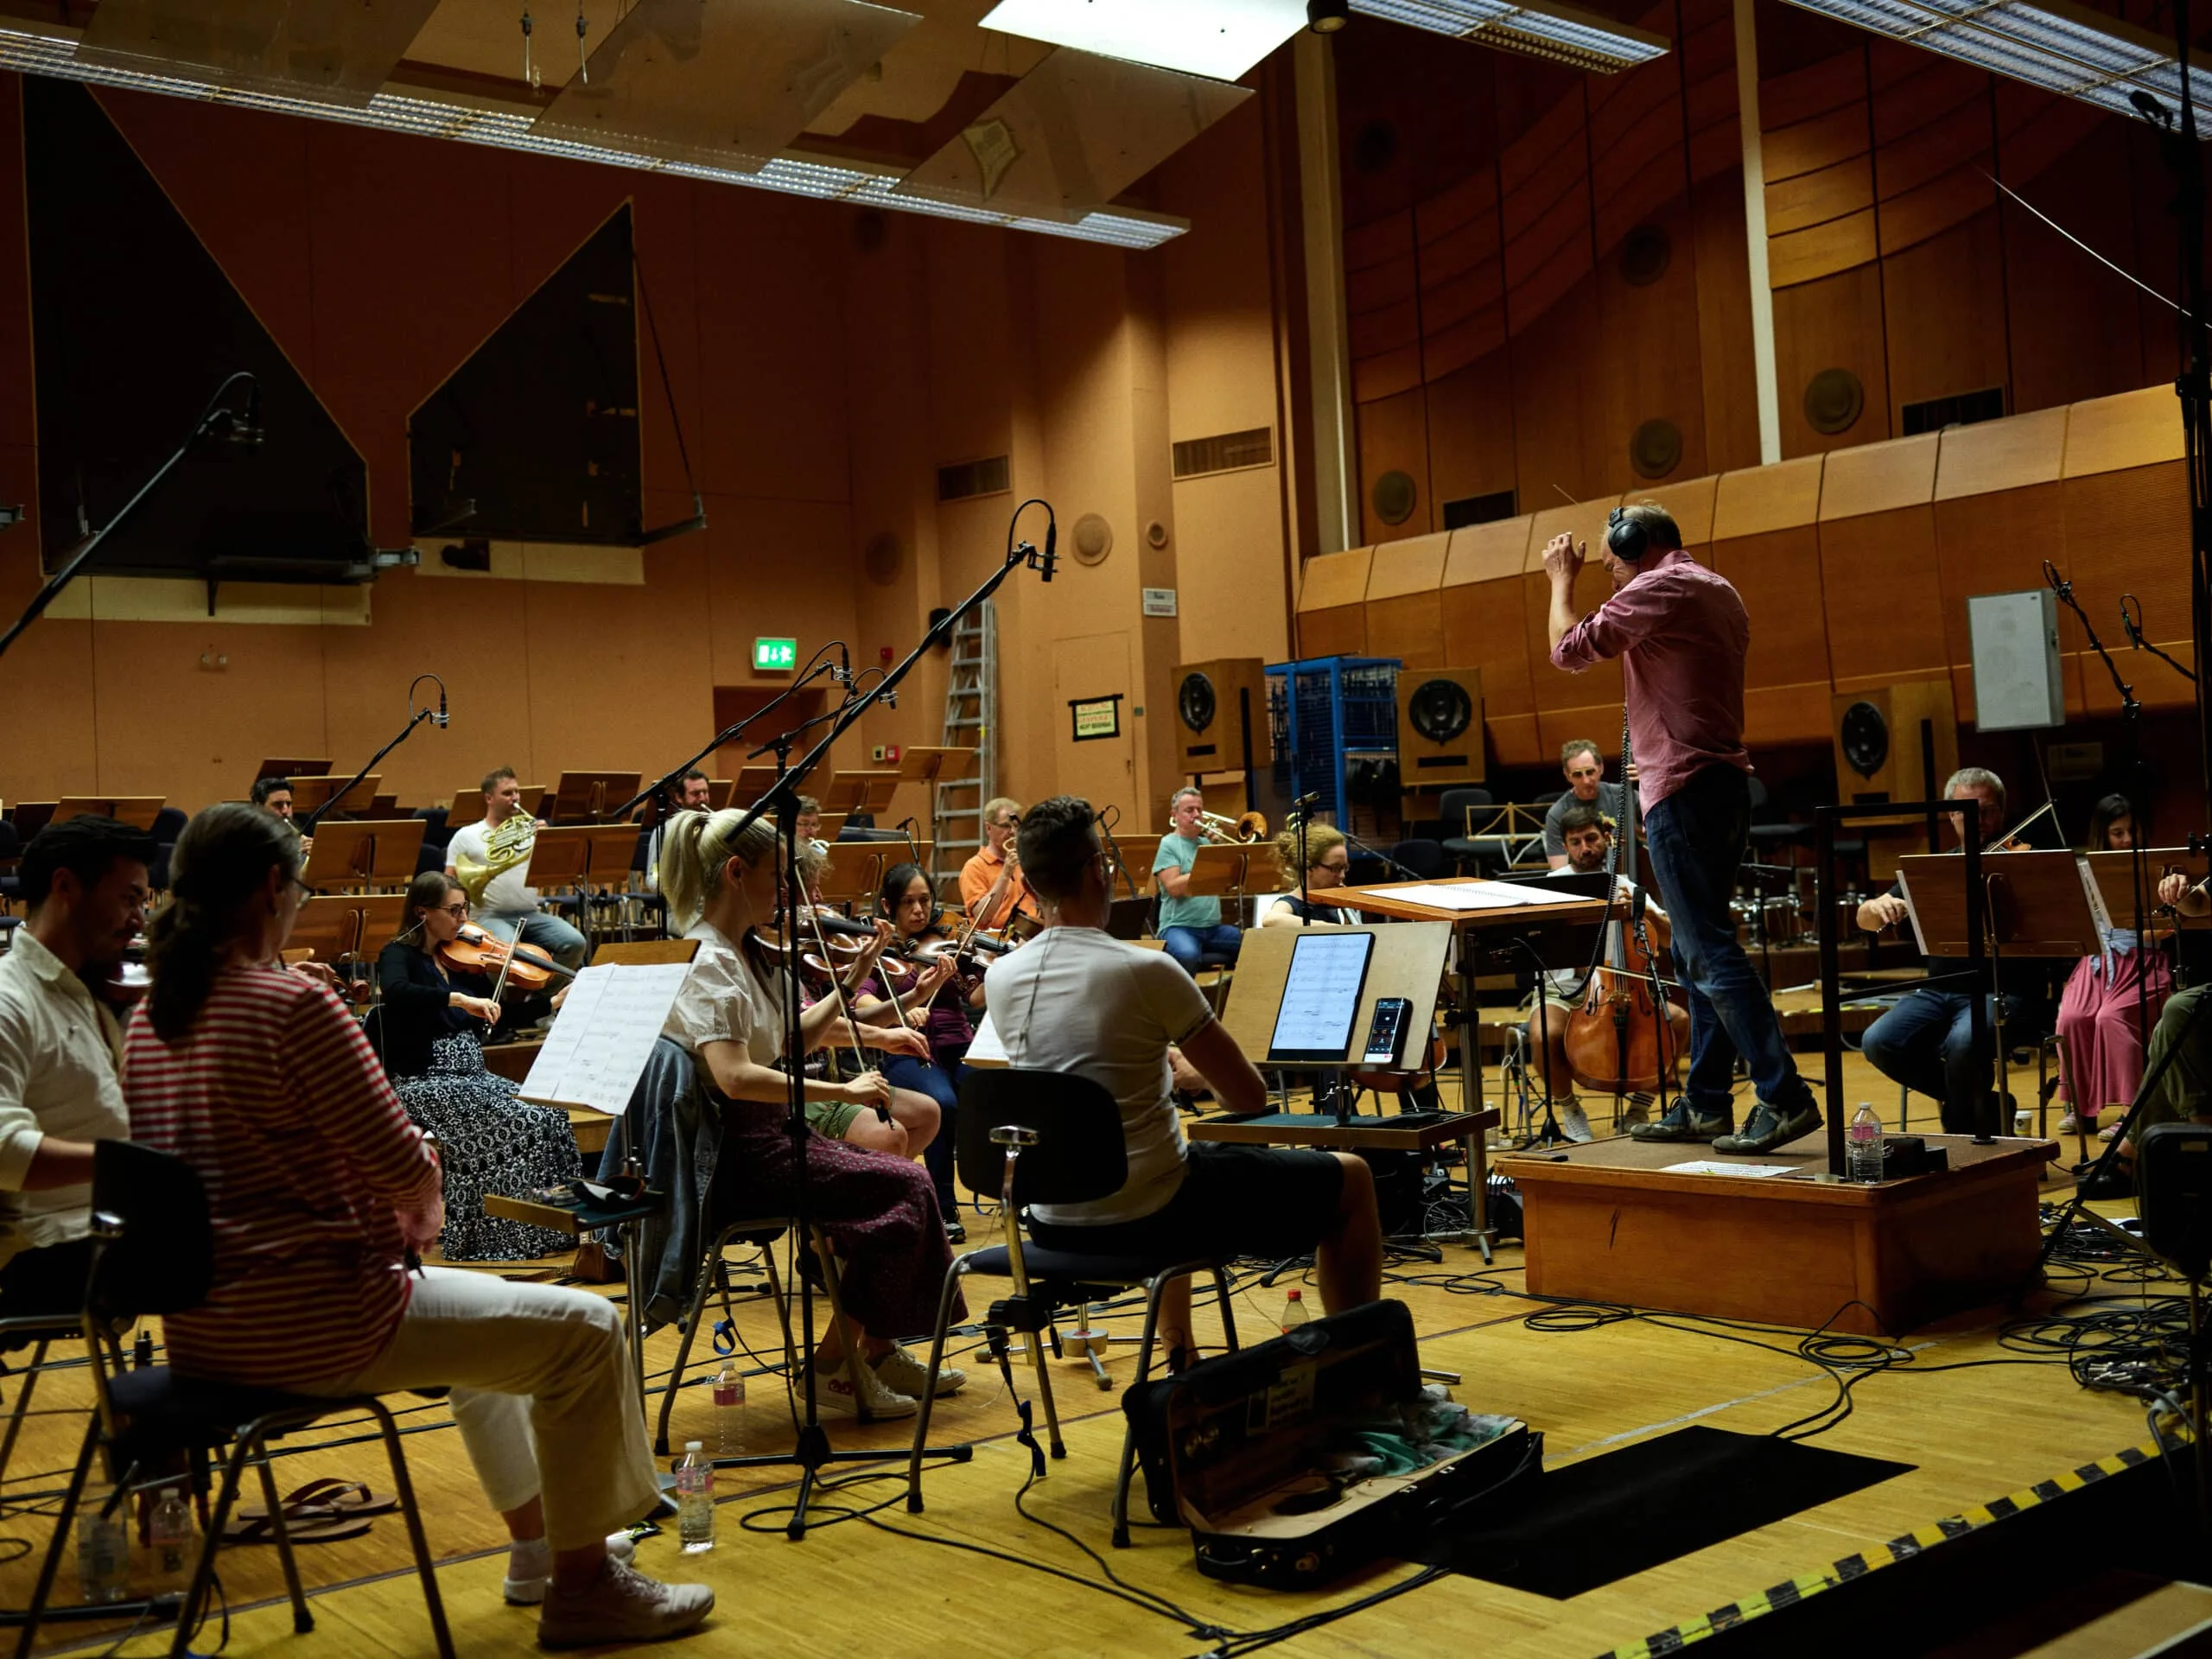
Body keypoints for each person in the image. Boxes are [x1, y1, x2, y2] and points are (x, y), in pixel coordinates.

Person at [122, 804, 710, 1645]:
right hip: (318, 1325)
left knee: (484, 1342)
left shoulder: (150, 1021)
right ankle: (584, 1587)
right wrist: (417, 1180)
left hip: (207, 1332)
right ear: (270, 889)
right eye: (301, 889)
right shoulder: (291, 1005)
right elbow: (402, 1164)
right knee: (588, 1332)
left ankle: (537, 1552)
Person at [988, 796, 1382, 1369]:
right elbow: (1247, 1097)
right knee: (1351, 1178)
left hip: (1050, 1217)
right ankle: (1361, 1366)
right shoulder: (1146, 968)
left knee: (1171, 1158)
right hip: (1152, 1214)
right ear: (1099, 871)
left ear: (1029, 882)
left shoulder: (1001, 977)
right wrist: (1196, 1074)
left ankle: (1182, 1356)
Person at [656, 807, 965, 1419]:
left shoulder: (745, 952)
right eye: (778, 876)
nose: (789, 890)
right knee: (905, 1186)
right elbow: (735, 1077)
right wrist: (843, 1093)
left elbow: (790, 1039)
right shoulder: (708, 960)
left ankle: (875, 1349)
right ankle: (830, 1369)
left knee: (905, 1182)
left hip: (771, 1137)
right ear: (737, 873)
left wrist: (854, 977)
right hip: (736, 1158)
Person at [1547, 502, 1820, 1154]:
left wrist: (1561, 580)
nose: (1610, 570)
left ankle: (1785, 1096)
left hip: (1684, 792)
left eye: (1613, 559)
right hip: (1720, 788)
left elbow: (1568, 650)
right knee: (1700, 952)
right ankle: (1706, 1102)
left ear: (1635, 542)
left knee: (1708, 953)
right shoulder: (1717, 588)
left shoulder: (1660, 585)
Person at [375, 872, 581, 1262]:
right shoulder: (398, 954)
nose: (464, 919)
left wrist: (553, 1003)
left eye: (465, 909)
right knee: (524, 1121)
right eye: (454, 910)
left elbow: (497, 1016)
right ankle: (499, 1235)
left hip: (472, 1076)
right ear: (422, 912)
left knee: (551, 1114)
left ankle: (550, 1231)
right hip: (424, 1080)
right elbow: (398, 993)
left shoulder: (460, 962)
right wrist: (457, 999)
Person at [0, 817, 154, 1314]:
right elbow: (3, 1151)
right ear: (65, 886)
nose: (139, 920)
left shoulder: (89, 987)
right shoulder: (9, 998)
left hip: (106, 1228)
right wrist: (136, 1165)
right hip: (49, 1249)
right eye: (129, 899)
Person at [1855, 768, 2050, 1135]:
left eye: (1987, 811)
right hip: (1940, 990)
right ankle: (1981, 1103)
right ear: (1951, 815)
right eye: (1966, 811)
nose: (1977, 820)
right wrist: (1876, 906)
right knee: (1878, 1041)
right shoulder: (1936, 869)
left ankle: (1962, 1127)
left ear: (2002, 812)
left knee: (1965, 1042)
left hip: (2005, 991)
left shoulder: (2027, 865)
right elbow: (1864, 919)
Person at [1518, 802, 1682, 1142]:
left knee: (1678, 1021)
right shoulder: (1548, 889)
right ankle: (1570, 1109)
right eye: (1575, 842)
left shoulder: (1626, 886)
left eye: (1591, 839)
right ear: (1565, 846)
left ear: (1606, 839)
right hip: (1563, 988)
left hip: (1623, 987)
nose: (1585, 848)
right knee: (1544, 1036)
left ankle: (1640, 1107)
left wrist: (1645, 912)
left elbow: (1668, 939)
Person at [867, 863, 987, 1236]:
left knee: (996, 1089)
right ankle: (944, 1207)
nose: (919, 910)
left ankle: (1019, 1195)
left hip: (958, 1044)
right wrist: (903, 1009)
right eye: (908, 902)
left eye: (924, 900)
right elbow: (863, 1005)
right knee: (943, 1103)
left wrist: (999, 967)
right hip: (908, 1050)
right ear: (888, 906)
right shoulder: (878, 953)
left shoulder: (945, 946)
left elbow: (976, 997)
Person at [2048, 795, 2171, 1135]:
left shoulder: (2155, 868)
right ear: (2103, 835)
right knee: (2071, 1018)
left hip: (2142, 962)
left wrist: (2141, 928)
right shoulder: (2087, 870)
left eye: (2133, 830)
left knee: (2112, 1018)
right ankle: (2082, 1108)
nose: (2128, 839)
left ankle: (2131, 1113)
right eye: (2118, 833)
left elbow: (2170, 926)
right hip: (2098, 961)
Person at [447, 767, 587, 971]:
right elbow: (448, 880)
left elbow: (555, 872)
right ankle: (501, 992)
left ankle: (545, 990)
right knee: (507, 952)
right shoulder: (467, 835)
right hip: (488, 916)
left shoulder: (529, 831)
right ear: (489, 798)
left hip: (531, 913)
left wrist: (548, 842)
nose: (515, 797)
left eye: (516, 792)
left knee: (575, 942)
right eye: (507, 793)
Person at [1153, 788, 1241, 976]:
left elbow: (1228, 880)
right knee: (1188, 955)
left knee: (1252, 945)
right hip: (1178, 927)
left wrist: (1220, 848)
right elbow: (1173, 888)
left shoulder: (1207, 843)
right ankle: (1183, 995)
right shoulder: (1168, 844)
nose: (1196, 815)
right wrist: (1203, 868)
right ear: (1174, 815)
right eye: (1189, 810)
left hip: (1212, 928)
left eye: (1199, 810)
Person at [960, 798, 1040, 932]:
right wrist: (1005, 873)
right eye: (1005, 826)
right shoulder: (974, 867)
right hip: (995, 940)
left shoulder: (1025, 862)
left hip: (1029, 935)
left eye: (1016, 826)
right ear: (988, 828)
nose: (1013, 831)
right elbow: (982, 918)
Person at [1544, 741, 1624, 869]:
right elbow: (1559, 868)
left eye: (1590, 772)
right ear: (1567, 776)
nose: (1586, 781)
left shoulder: (1624, 795)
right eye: (1577, 774)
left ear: (1601, 768)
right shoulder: (1556, 814)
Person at [1262, 822, 1352, 926]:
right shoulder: (1290, 903)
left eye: (1344, 868)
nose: (1342, 876)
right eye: (1335, 868)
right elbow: (1271, 920)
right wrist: (1332, 929)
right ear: (1308, 866)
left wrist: (1348, 912)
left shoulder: (1328, 901)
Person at [641, 771, 712, 894]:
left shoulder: (714, 827)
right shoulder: (664, 832)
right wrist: (675, 888)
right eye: (695, 794)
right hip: (679, 903)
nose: (702, 798)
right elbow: (653, 876)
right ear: (679, 797)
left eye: (705, 792)